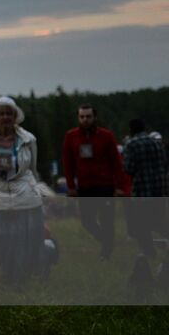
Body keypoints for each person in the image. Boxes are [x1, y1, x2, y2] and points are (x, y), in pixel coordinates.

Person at [0, 96, 48, 283]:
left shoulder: (28, 139)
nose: (5, 117)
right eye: (1, 113)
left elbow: (32, 168)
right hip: (0, 194)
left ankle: (23, 273)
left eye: (9, 113)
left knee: (25, 237)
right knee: (3, 237)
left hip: (25, 193)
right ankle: (8, 272)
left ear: (15, 116)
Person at [61, 104, 123, 260]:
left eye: (88, 116)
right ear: (78, 118)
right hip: (84, 186)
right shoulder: (71, 136)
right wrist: (70, 186)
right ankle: (107, 241)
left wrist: (119, 186)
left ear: (95, 117)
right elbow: (67, 162)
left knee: (107, 219)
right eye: (82, 117)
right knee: (87, 221)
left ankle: (106, 252)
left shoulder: (106, 136)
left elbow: (116, 162)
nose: (85, 119)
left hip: (105, 185)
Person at [122, 118, 168, 269]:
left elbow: (128, 168)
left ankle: (149, 253)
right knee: (158, 220)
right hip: (159, 189)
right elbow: (164, 163)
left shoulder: (131, 144)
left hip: (143, 191)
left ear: (131, 129)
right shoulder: (156, 142)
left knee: (141, 225)